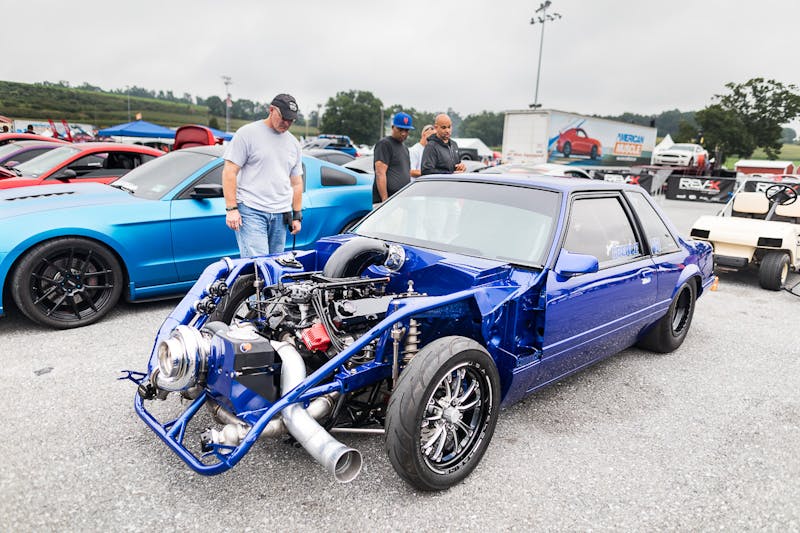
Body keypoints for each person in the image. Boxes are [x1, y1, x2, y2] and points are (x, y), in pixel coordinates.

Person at [222, 93, 303, 258]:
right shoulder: (247, 134)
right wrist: (231, 209)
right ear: (271, 110)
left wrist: (297, 215)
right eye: (284, 118)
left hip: (281, 214)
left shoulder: (294, 144)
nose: (287, 123)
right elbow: (230, 171)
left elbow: (296, 183)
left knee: (274, 265)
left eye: (291, 120)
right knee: (258, 266)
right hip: (251, 210)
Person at [372, 111, 414, 203]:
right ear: (393, 127)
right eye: (400, 129)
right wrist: (385, 200)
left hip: (400, 200)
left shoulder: (405, 148)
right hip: (387, 202)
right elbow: (380, 173)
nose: (403, 133)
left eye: (406, 130)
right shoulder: (385, 144)